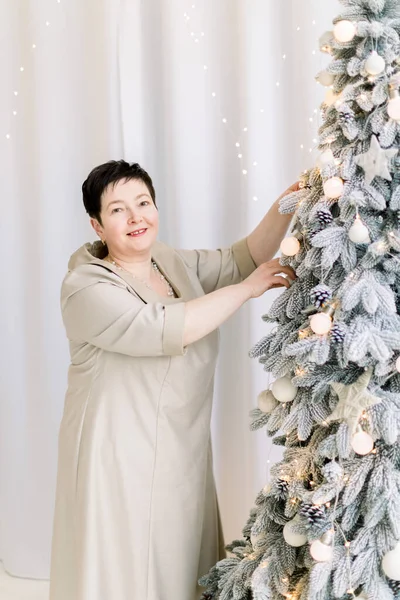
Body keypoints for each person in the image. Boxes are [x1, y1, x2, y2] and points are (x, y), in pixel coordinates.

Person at [49, 160, 297, 600]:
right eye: (118, 210)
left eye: (143, 203)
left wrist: (292, 198)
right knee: (126, 571)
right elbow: (167, 327)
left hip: (179, 446)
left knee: (181, 567)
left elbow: (246, 257)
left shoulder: (168, 262)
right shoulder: (86, 287)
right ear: (97, 225)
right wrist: (247, 290)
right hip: (118, 454)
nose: (136, 217)